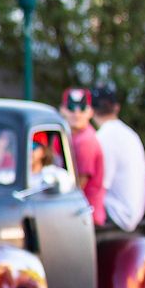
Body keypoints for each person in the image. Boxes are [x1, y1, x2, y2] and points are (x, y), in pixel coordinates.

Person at [93, 82, 145, 233]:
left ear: (91, 111)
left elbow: (100, 185)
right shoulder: (130, 134)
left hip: (118, 215)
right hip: (134, 214)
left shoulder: (103, 137)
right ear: (116, 107)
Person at [59, 86, 109, 227]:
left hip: (85, 218)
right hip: (76, 214)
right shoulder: (65, 137)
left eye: (81, 109)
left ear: (90, 112)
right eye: (71, 108)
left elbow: (77, 186)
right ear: (62, 110)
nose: (76, 114)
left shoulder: (85, 141)